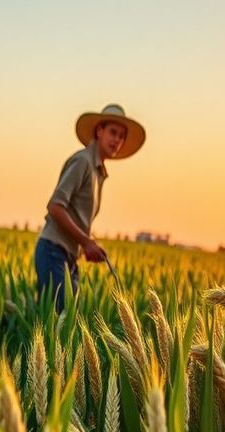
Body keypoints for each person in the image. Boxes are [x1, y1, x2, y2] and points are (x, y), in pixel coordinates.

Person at [35, 103, 145, 310]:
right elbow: (55, 206)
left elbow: (75, 215)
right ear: (99, 130)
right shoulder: (83, 162)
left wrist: (89, 242)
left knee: (67, 323)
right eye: (113, 132)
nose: (117, 140)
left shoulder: (97, 170)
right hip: (53, 252)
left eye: (122, 136)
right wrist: (86, 242)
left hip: (67, 256)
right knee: (60, 321)